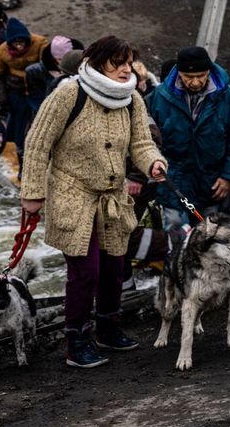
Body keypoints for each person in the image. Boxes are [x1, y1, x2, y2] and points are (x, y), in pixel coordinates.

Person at [19, 35, 166, 368]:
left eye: (130, 62)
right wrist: (31, 194)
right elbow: (38, 144)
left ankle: (108, 329)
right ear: (99, 62)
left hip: (113, 197)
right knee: (85, 272)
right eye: (120, 63)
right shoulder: (69, 93)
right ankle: (77, 341)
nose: (127, 69)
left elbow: (142, 144)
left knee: (114, 268)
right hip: (73, 194)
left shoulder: (132, 98)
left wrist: (153, 163)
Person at [146, 45, 230, 230]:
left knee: (210, 234)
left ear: (208, 71)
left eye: (200, 76)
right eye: (189, 77)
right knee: (175, 230)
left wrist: (229, 177)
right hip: (173, 180)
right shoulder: (159, 97)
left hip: (212, 181)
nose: (195, 82)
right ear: (179, 73)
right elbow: (145, 137)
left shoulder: (227, 96)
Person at [0, 18, 49, 156]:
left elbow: (47, 65)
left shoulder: (40, 43)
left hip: (37, 91)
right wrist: (3, 98)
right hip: (16, 92)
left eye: (22, 43)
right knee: (18, 126)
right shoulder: (2, 51)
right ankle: (20, 151)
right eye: (16, 43)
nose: (19, 47)